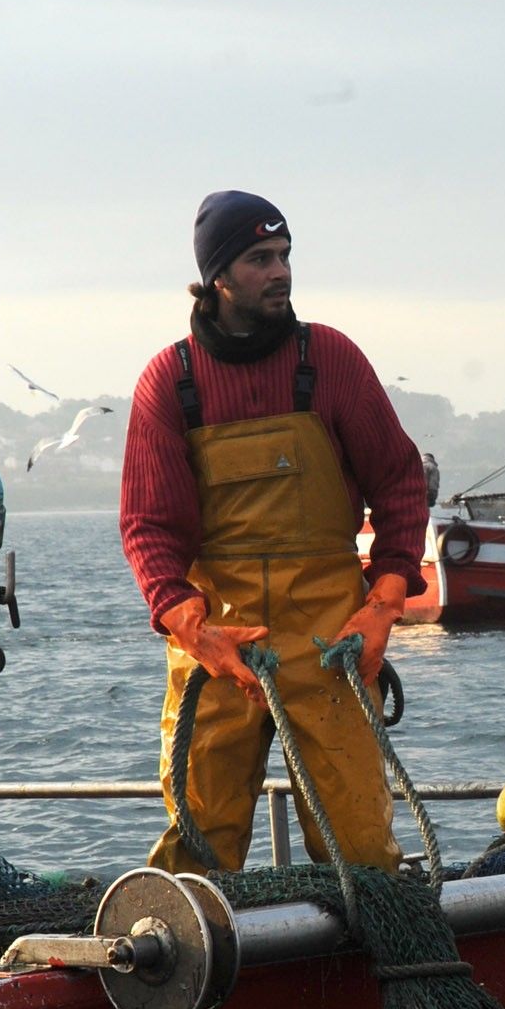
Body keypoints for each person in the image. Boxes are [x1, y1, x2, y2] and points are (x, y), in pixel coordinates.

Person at [120, 189, 428, 876]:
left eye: (285, 254)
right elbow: (149, 528)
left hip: (331, 640)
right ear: (219, 274)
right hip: (219, 643)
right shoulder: (170, 384)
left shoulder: (333, 362)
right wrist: (191, 629)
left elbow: (401, 485)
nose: (280, 271)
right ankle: (200, 974)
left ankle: (366, 972)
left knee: (362, 852)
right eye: (260, 258)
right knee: (196, 851)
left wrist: (383, 608)